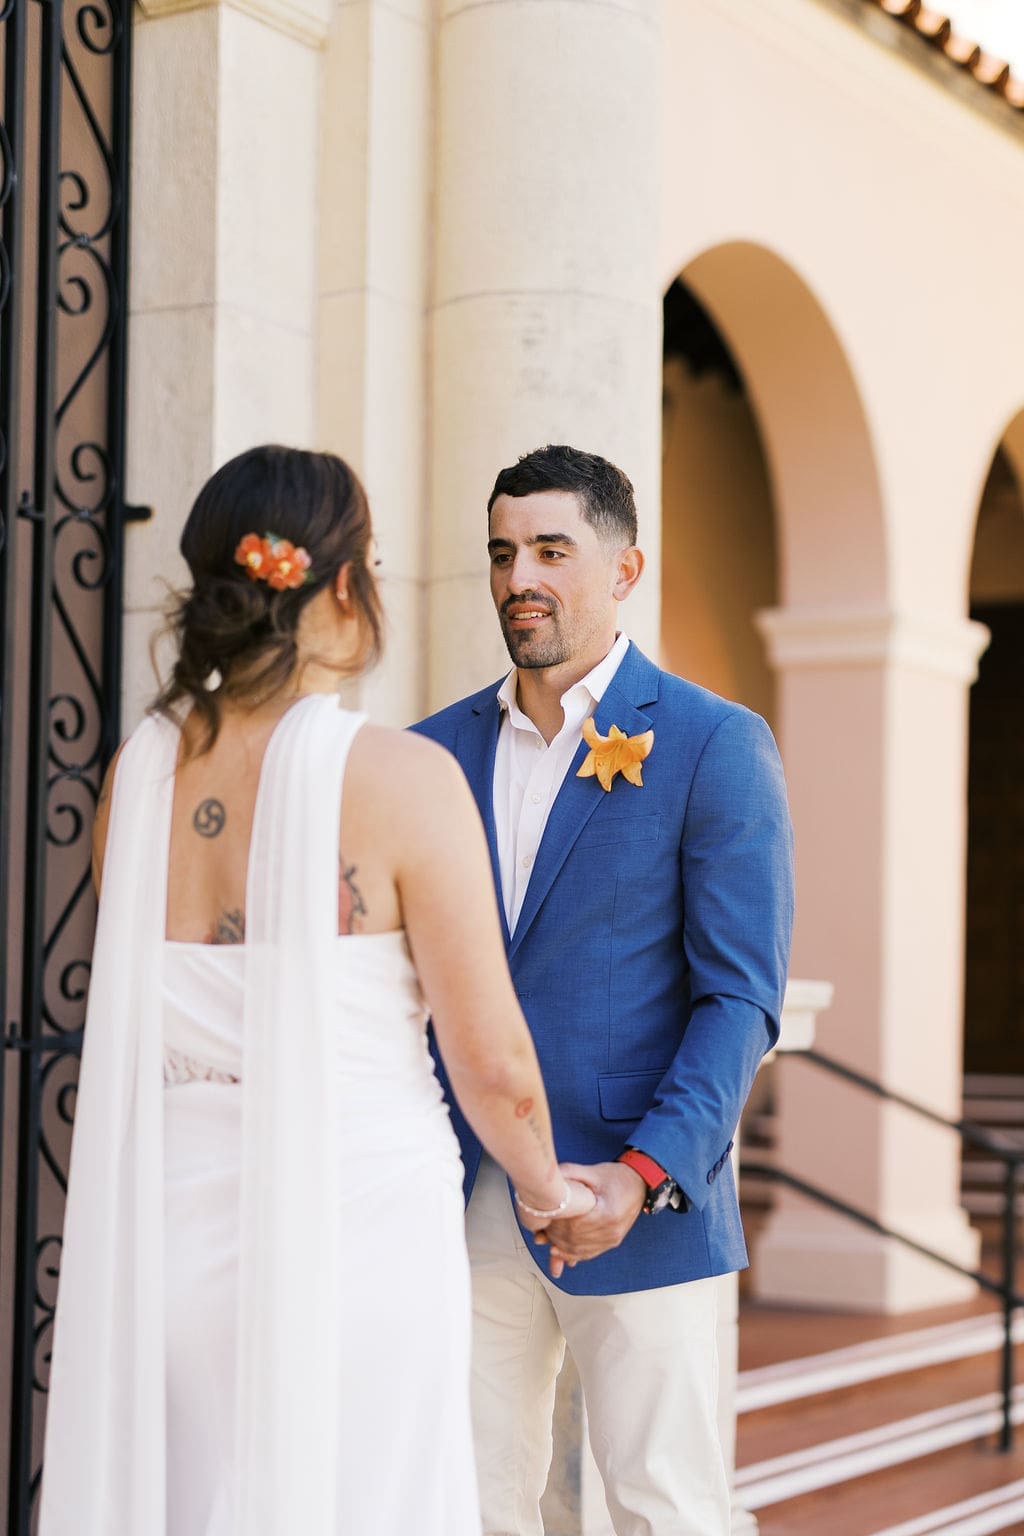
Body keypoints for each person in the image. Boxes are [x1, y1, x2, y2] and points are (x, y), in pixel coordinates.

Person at [38, 444, 594, 1536]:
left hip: (171, 1239)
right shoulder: (400, 779)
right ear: (343, 586)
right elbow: (493, 1062)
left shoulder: (133, 779)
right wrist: (547, 1193)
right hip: (360, 1243)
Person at [414, 444, 795, 1536]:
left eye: (549, 550)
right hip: (463, 1188)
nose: (517, 577)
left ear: (624, 571)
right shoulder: (429, 753)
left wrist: (641, 1174)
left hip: (637, 1199)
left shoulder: (711, 744)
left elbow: (739, 1001)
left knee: (660, 1502)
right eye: (501, 553)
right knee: (468, 1495)